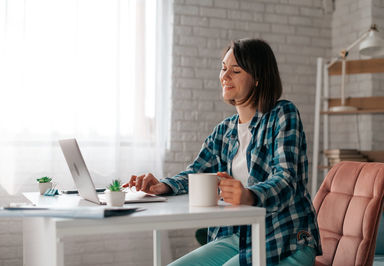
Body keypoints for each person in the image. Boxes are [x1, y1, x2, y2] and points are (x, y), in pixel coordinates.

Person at [123, 38, 322, 265]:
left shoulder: (283, 114)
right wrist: (164, 186)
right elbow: (196, 172)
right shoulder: (224, 130)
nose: (224, 76)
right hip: (239, 237)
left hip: (285, 238)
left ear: (258, 78)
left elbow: (286, 179)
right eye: (223, 68)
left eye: (235, 71)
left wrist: (250, 195)